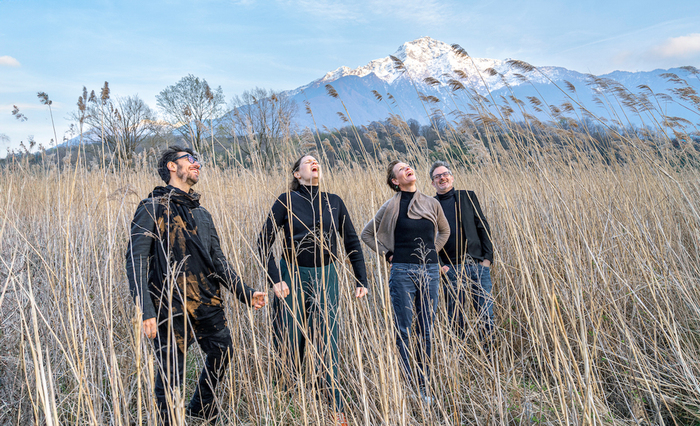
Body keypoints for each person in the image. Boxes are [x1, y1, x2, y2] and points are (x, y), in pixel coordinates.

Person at [125, 146, 267, 425]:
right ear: (171, 167)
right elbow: (136, 259)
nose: (196, 164)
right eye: (189, 160)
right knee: (171, 373)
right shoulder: (151, 207)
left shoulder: (202, 213)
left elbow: (218, 261)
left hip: (206, 300)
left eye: (198, 160)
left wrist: (245, 293)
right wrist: (146, 310)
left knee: (222, 350)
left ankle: (200, 412)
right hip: (168, 305)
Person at [258, 154, 369, 426]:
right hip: (292, 275)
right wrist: (276, 279)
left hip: (327, 276)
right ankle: (285, 403)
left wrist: (361, 280)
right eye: (307, 161)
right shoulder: (286, 200)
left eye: (316, 160)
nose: (314, 163)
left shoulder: (334, 202)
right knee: (288, 337)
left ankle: (334, 406)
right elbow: (263, 242)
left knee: (327, 339)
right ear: (297, 174)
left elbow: (351, 241)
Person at [361, 160, 449, 404]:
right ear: (395, 181)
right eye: (401, 169)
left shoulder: (431, 203)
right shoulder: (389, 206)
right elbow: (366, 234)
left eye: (409, 166)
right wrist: (387, 254)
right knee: (404, 329)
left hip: (430, 271)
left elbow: (445, 231)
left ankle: (424, 385)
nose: (408, 169)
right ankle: (408, 384)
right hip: (401, 271)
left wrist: (431, 251)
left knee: (426, 328)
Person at [429, 160, 495, 350]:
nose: (442, 178)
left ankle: (490, 356)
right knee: (455, 316)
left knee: (485, 314)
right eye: (437, 176)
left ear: (452, 176)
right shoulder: (431, 204)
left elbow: (483, 227)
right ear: (433, 183)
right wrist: (439, 264)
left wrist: (487, 260)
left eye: (445, 174)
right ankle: (458, 358)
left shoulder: (467, 197)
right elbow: (428, 238)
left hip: (477, 265)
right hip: (450, 268)